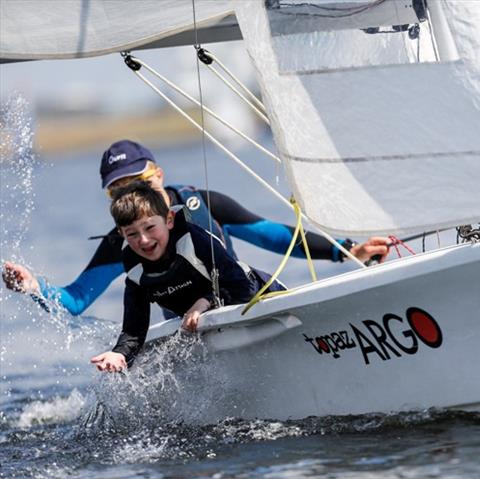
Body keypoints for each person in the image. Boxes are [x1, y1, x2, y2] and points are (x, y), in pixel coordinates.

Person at [3, 140, 391, 314]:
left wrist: (344, 251)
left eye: (141, 181)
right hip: (193, 326)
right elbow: (75, 301)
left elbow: (273, 234)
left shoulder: (200, 202)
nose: (135, 195)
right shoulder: (123, 242)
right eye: (120, 191)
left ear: (158, 173)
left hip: (242, 300)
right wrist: (34, 286)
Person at [91, 181, 275, 372]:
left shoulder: (195, 240)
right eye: (132, 234)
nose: (143, 240)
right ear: (122, 234)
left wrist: (206, 301)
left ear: (169, 219)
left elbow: (242, 288)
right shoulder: (136, 272)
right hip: (218, 323)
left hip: (261, 293)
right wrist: (119, 354)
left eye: (150, 227)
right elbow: (134, 329)